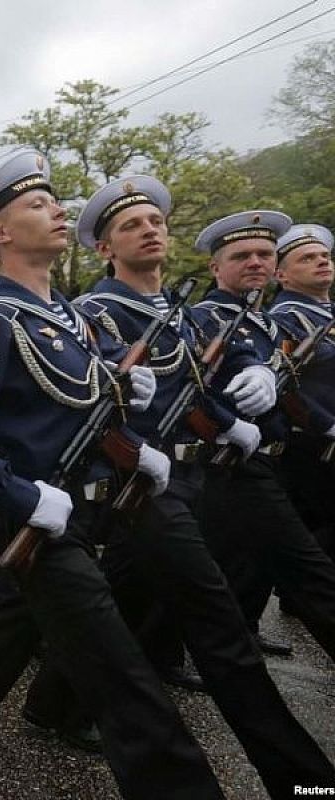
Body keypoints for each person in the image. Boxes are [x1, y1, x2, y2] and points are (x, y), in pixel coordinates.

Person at [0, 150, 222, 799]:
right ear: (0, 232)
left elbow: (77, 410)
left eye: (55, 201)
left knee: (4, 640)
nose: (59, 211)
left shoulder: (67, 316)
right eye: (39, 205)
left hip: (81, 508)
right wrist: (20, 496)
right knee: (124, 677)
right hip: (37, 519)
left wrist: (131, 411)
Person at [24, 177, 335, 796]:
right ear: (106, 248)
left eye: (155, 221)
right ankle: (306, 783)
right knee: (220, 629)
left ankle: (50, 703)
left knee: (121, 604)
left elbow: (200, 389)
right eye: (132, 224)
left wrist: (241, 413)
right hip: (135, 485)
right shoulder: (94, 315)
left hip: (194, 478)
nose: (150, 228)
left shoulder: (182, 317)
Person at [194, 211, 335, 664]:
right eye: (241, 255)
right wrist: (228, 423)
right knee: (309, 572)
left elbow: (287, 385)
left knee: (226, 566)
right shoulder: (206, 317)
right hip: (228, 462)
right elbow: (190, 388)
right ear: (216, 267)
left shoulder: (265, 323)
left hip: (268, 457)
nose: (255, 261)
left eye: (263, 254)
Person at [270, 223, 335, 566]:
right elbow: (285, 386)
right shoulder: (284, 319)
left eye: (325, 256)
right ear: (281, 275)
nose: (322, 262)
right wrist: (325, 425)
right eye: (307, 258)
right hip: (314, 445)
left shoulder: (328, 312)